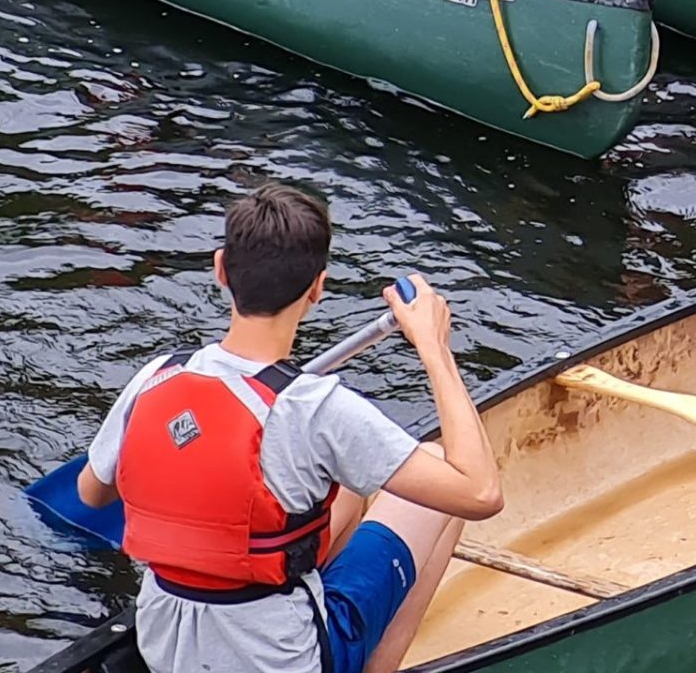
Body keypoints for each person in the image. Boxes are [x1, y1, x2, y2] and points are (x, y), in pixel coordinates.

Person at [76, 181, 500, 673]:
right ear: (317, 288)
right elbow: (480, 493)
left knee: (345, 488)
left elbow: (91, 493)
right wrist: (433, 346)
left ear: (221, 268)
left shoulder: (157, 376)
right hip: (280, 662)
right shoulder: (316, 408)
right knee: (432, 472)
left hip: (165, 643)